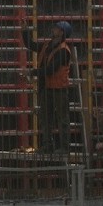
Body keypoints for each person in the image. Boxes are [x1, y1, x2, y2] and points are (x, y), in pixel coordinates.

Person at [22, 20, 73, 155]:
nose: (53, 29)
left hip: (59, 89)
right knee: (46, 119)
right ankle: (47, 145)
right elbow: (31, 45)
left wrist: (32, 72)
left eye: (56, 28)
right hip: (47, 87)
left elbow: (51, 69)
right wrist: (25, 31)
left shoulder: (63, 51)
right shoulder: (47, 45)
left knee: (62, 120)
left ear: (62, 32)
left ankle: (64, 148)